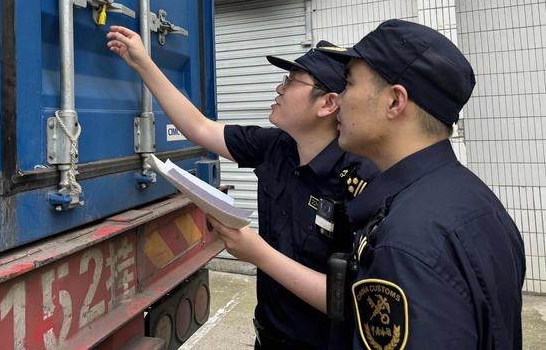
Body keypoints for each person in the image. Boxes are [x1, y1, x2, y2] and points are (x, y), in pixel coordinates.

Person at [210, 19, 526, 349]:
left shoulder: (406, 239)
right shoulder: (475, 201)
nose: (340, 101)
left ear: (394, 102)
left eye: (348, 85)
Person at [107, 25, 377, 350]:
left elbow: (354, 299)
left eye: (291, 81)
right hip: (267, 337)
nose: (279, 88)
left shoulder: (360, 179)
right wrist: (142, 62)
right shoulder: (276, 146)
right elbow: (198, 127)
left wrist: (256, 253)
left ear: (328, 104)